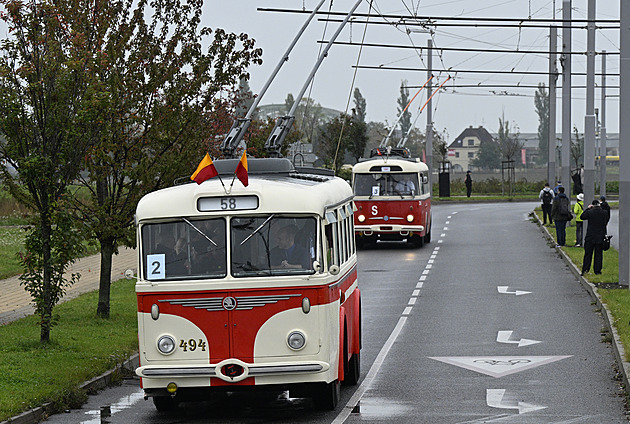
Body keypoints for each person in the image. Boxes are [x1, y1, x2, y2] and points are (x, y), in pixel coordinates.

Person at [580, 199, 608, 275]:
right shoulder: (604, 213)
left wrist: (588, 208)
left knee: (588, 254)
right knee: (598, 255)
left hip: (590, 236)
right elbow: (606, 221)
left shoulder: (590, 212)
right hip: (600, 236)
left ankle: (585, 269)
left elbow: (582, 217)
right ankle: (597, 271)